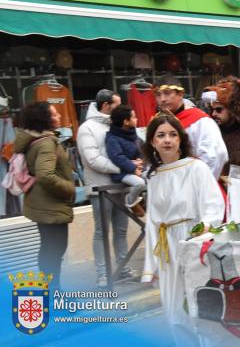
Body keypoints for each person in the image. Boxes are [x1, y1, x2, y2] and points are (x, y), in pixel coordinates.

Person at [140, 112, 224, 346]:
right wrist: (152, 264)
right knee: (175, 311)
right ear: (153, 142)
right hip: (167, 250)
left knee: (200, 308)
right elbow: (152, 223)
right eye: (161, 135)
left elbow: (213, 205)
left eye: (172, 134)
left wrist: (202, 232)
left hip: (193, 243)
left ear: (181, 139)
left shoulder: (196, 168)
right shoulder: (154, 176)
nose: (167, 139)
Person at [15, 102, 75, 289]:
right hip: (51, 206)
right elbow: (45, 175)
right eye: (54, 114)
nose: (58, 117)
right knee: (54, 251)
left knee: (49, 250)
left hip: (43, 204)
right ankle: (54, 296)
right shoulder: (47, 142)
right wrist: (69, 188)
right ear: (44, 119)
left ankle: (50, 293)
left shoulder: (38, 140)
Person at [78, 89, 131, 288]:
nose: (122, 109)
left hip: (120, 185)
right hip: (101, 187)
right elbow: (92, 159)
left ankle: (123, 268)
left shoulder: (117, 125)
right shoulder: (87, 128)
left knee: (121, 230)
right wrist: (123, 167)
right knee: (102, 231)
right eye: (117, 104)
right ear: (106, 105)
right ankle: (103, 273)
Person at [153, 75, 227, 179]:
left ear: (180, 94)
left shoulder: (201, 121)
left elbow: (215, 156)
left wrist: (196, 183)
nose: (162, 99)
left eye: (167, 93)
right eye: (158, 95)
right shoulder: (158, 124)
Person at [105, 105, 145, 215]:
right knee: (139, 183)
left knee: (153, 177)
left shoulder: (133, 135)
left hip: (137, 169)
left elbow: (142, 149)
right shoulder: (113, 138)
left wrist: (141, 161)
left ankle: (145, 201)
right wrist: (133, 168)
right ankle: (131, 202)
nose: (136, 119)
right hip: (123, 172)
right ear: (126, 121)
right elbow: (117, 157)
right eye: (134, 117)